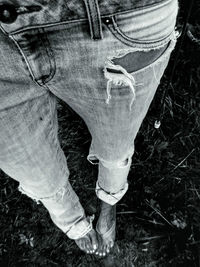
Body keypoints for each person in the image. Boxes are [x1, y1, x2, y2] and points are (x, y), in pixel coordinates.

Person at [0, 0, 179, 257]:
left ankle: (109, 203)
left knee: (115, 144)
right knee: (34, 172)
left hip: (115, 15)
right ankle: (73, 222)